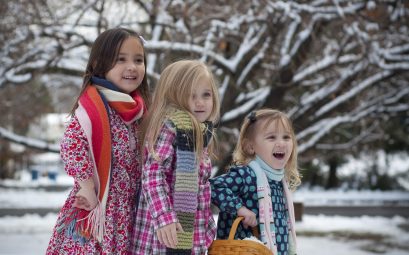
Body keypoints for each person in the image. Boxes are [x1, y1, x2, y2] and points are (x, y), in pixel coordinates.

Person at [46, 27, 150, 254]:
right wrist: (86, 186)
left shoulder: (142, 112)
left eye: (138, 60)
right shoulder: (93, 109)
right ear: (99, 65)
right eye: (120, 59)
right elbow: (72, 146)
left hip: (131, 211)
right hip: (98, 209)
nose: (132, 66)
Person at [130, 60, 220, 255]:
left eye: (206, 94)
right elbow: (153, 174)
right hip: (163, 235)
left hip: (189, 234)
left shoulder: (200, 133)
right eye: (191, 95)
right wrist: (164, 217)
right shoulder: (170, 127)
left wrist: (207, 232)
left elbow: (201, 191)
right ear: (174, 96)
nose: (200, 102)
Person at [210, 109, 301, 255]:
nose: (281, 143)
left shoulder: (279, 182)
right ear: (250, 146)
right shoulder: (247, 175)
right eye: (271, 137)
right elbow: (214, 187)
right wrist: (240, 208)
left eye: (286, 137)